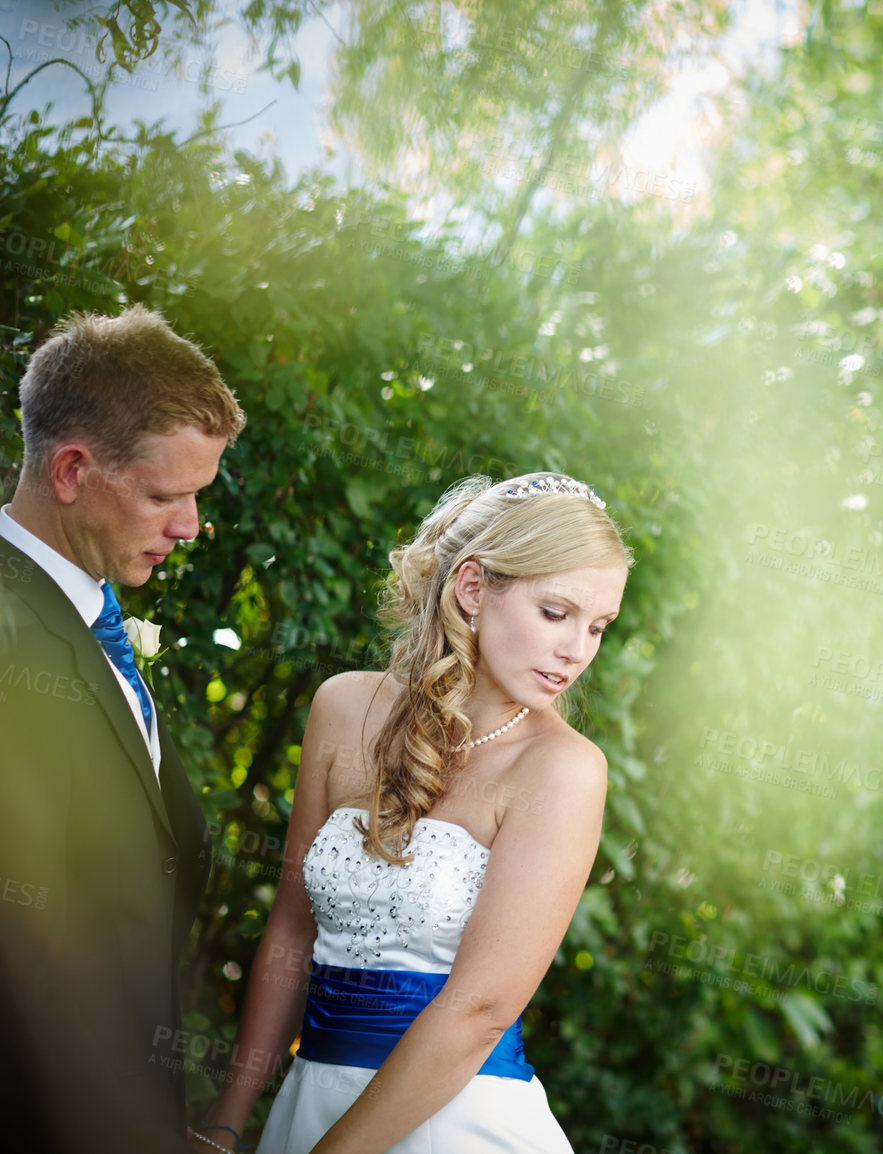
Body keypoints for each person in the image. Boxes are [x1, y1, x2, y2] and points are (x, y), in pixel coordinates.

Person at [192, 471, 632, 1153]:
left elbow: (479, 1012)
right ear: (474, 588)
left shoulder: (565, 770)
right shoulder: (343, 709)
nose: (577, 650)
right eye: (556, 613)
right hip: (307, 1104)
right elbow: (289, 932)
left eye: (598, 626)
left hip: (460, 1124)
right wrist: (226, 1122)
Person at [0, 304, 247, 1153]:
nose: (188, 526)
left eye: (197, 497)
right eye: (164, 495)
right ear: (71, 469)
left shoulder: (87, 618)